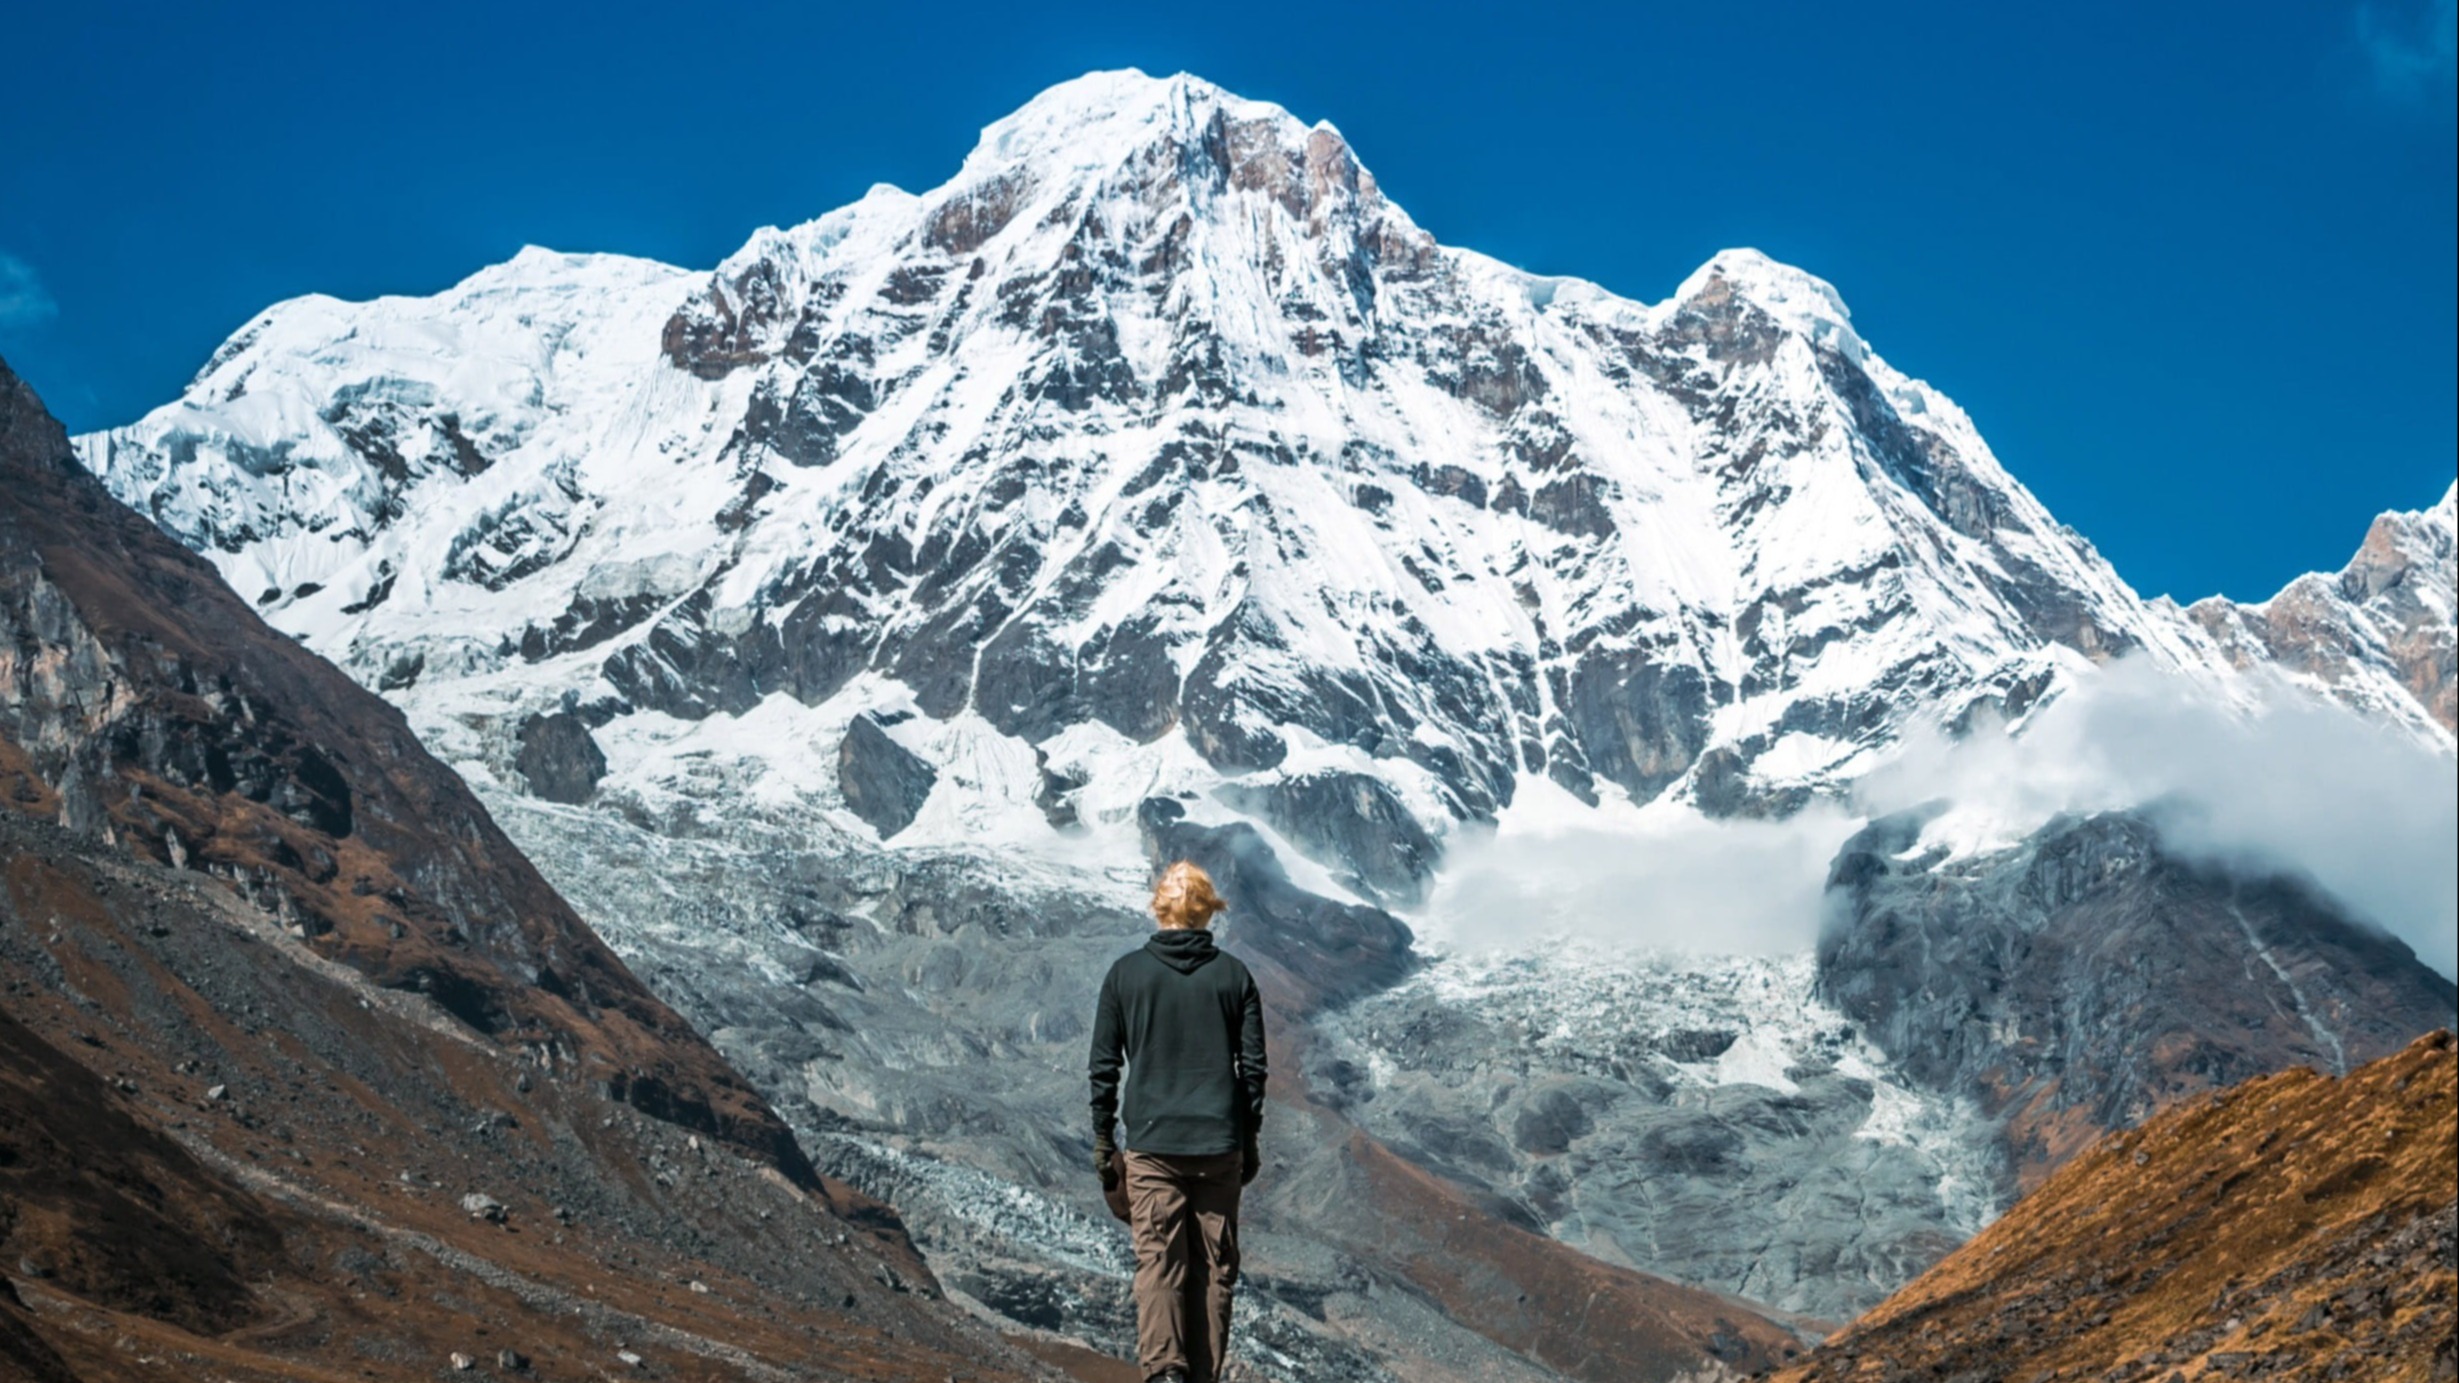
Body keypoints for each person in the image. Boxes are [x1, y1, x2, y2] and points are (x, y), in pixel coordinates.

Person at [1088, 860, 1267, 1383]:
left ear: (1159, 907)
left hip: (1152, 1147)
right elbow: (1253, 1070)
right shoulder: (1235, 977)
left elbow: (1104, 1066)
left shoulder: (1125, 974)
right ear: (1208, 911)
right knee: (1215, 1270)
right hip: (1220, 1148)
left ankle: (1165, 1372)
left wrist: (1104, 1141)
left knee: (1159, 1263)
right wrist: (1247, 1138)